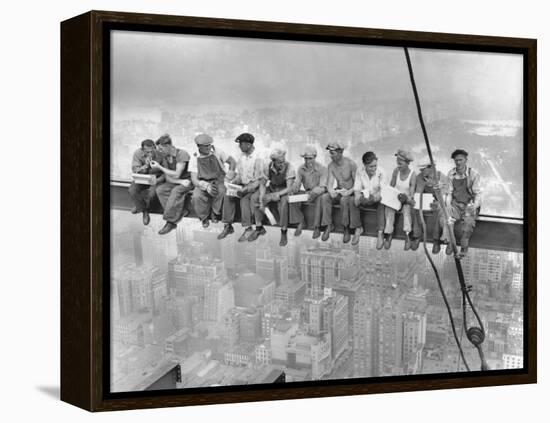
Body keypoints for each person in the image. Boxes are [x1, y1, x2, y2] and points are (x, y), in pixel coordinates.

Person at [218, 133, 266, 242]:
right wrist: (232, 183)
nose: (240, 146)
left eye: (241, 144)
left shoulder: (258, 158)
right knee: (228, 195)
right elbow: (240, 175)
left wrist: (246, 189)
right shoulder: (242, 157)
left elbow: (260, 180)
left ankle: (248, 228)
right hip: (243, 186)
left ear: (248, 145)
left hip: (254, 187)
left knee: (244, 200)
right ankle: (228, 225)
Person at [189, 133, 237, 228]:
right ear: (199, 146)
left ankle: (215, 213)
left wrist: (228, 177)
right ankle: (204, 218)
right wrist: (206, 186)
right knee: (196, 196)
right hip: (203, 181)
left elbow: (232, 162)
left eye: (209, 145)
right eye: (206, 146)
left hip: (219, 179)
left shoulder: (217, 151)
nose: (208, 147)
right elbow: (194, 179)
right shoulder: (194, 157)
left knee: (222, 191)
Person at [441, 149, 481, 256]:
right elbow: (449, 192)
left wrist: (474, 206)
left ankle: (464, 247)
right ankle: (450, 243)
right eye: (456, 160)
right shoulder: (451, 173)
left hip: (469, 205)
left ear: (466, 160)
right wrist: (448, 204)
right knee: (447, 218)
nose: (458, 163)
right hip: (456, 204)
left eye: (460, 160)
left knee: (468, 224)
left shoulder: (473, 174)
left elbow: (477, 193)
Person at [255, 147, 298, 246]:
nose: (282, 164)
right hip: (273, 187)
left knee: (283, 203)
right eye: (279, 163)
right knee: (257, 198)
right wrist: (262, 197)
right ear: (273, 161)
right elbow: (262, 183)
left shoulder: (290, 167)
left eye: (283, 161)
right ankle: (259, 226)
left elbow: (289, 188)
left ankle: (283, 231)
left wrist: (276, 195)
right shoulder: (268, 166)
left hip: (284, 191)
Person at [150, 134, 192, 235]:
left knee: (176, 191)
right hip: (178, 182)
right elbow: (168, 177)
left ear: (168, 146)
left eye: (161, 149)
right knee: (160, 190)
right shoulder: (165, 157)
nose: (160, 151)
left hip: (188, 181)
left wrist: (160, 167)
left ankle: (170, 222)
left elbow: (177, 174)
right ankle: (180, 212)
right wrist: (179, 182)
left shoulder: (182, 154)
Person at [321, 141, 357, 243]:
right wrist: (331, 191)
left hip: (350, 193)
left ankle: (346, 228)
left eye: (332, 153)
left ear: (340, 152)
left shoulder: (351, 164)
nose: (330, 155)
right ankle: (328, 225)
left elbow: (358, 185)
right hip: (340, 191)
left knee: (344, 200)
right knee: (325, 197)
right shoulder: (331, 166)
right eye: (330, 153)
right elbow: (330, 183)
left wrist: (349, 191)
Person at [290, 145, 328, 239]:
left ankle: (317, 227)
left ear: (315, 157)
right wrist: (293, 189)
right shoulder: (301, 169)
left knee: (319, 199)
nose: (308, 161)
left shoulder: (322, 169)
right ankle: (301, 221)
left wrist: (315, 192)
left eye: (310, 159)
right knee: (292, 197)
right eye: (306, 159)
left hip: (318, 192)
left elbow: (323, 187)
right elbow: (297, 183)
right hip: (307, 193)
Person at [350, 151, 386, 248]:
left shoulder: (381, 172)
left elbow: (383, 190)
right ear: (365, 165)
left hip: (376, 198)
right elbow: (357, 188)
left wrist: (375, 197)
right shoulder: (359, 171)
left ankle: (380, 232)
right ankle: (358, 228)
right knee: (353, 201)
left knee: (382, 203)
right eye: (371, 166)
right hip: (365, 197)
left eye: (375, 166)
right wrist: (358, 196)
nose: (374, 169)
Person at [410, 161, 448, 253]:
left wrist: (435, 186)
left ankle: (436, 240)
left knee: (439, 210)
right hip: (423, 202)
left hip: (436, 202)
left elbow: (444, 195)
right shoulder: (419, 177)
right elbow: (418, 192)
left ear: (431, 167)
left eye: (423, 169)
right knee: (414, 208)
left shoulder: (441, 176)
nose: (421, 170)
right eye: (421, 169)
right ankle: (417, 235)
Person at [384, 149, 416, 250]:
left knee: (407, 211)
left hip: (406, 200)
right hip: (395, 198)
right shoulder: (396, 171)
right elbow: (392, 186)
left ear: (407, 163)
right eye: (397, 163)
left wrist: (407, 198)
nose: (398, 165)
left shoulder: (412, 174)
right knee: (389, 209)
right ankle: (389, 234)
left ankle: (407, 235)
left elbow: (411, 193)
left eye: (400, 163)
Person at [128, 139, 164, 226]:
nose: (150, 153)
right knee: (132, 190)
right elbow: (135, 170)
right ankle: (144, 210)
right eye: (147, 152)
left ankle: (141, 208)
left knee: (152, 194)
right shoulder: (137, 153)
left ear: (154, 148)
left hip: (156, 178)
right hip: (142, 177)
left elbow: (165, 172)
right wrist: (145, 166)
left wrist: (157, 180)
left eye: (152, 151)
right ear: (142, 149)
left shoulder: (160, 154)